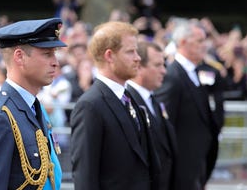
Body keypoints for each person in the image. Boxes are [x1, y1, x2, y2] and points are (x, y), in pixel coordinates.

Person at [0, 17, 67, 190]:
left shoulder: (34, 107)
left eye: (55, 54)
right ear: (19, 57)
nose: (55, 62)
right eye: (47, 54)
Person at [70, 21, 161, 190]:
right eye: (130, 52)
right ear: (109, 56)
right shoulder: (90, 106)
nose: (138, 58)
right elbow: (85, 176)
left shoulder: (129, 98)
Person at [154, 20, 219, 190]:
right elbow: (164, 126)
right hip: (180, 168)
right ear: (183, 42)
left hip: (196, 164)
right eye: (199, 41)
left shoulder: (196, 72)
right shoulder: (172, 76)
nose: (204, 45)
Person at [126, 41, 177, 190]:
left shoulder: (153, 100)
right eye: (157, 65)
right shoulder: (129, 102)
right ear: (139, 67)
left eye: (163, 64)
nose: (164, 71)